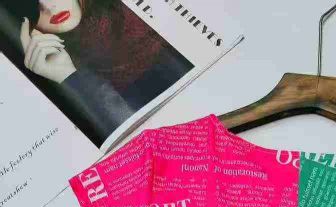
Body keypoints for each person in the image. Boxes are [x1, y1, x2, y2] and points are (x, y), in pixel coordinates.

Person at [0, 0, 194, 146]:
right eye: (32, 5)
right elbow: (133, 139)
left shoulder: (133, 19)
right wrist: (69, 77)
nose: (49, 7)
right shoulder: (55, 70)